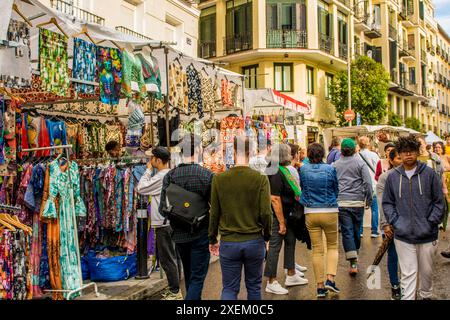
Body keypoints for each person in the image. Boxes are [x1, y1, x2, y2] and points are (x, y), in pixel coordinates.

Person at [208, 137, 273, 300]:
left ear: (234, 152)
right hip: (254, 240)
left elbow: (214, 212)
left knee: (229, 288)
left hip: (229, 242)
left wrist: (212, 238)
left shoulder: (219, 179)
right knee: (254, 287)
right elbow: (266, 212)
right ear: (251, 152)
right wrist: (267, 236)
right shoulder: (261, 179)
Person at [382, 135, 445, 300]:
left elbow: (439, 202)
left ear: (417, 153)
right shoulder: (393, 177)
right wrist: (395, 222)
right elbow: (387, 202)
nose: (408, 155)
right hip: (403, 235)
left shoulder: (430, 174)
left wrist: (431, 222)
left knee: (426, 273)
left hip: (427, 234)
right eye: (404, 152)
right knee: (408, 274)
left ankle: (425, 295)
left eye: (411, 151)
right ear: (400, 155)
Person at [159, 134, 214, 300]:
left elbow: (163, 209)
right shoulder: (206, 175)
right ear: (197, 150)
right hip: (200, 232)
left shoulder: (170, 176)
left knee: (190, 275)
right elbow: (215, 207)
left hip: (179, 234)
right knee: (197, 277)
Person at [136, 146, 182, 300]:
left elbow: (141, 188)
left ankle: (175, 291)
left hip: (164, 223)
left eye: (152, 158)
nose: (150, 161)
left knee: (167, 258)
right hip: (171, 221)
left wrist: (148, 170)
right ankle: (176, 289)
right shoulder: (171, 173)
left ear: (158, 160)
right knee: (174, 257)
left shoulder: (161, 176)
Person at [264, 144, 309, 295]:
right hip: (279, 215)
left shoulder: (280, 169)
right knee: (275, 246)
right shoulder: (276, 171)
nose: (291, 155)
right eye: (289, 153)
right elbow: (275, 198)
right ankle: (271, 281)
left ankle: (291, 274)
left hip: (287, 214)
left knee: (290, 241)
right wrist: (281, 221)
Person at [300, 143, 340, 298]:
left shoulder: (303, 169)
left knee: (317, 249)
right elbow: (336, 188)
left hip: (310, 211)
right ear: (323, 154)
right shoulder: (330, 169)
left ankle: (320, 286)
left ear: (309, 154)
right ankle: (330, 278)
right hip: (329, 210)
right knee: (332, 246)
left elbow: (302, 187)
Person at [333, 138, 373, 275]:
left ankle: (353, 260)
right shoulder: (361, 163)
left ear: (341, 151)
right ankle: (354, 258)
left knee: (347, 232)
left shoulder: (335, 165)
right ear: (354, 150)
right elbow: (368, 183)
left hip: (342, 203)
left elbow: (332, 184)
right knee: (356, 231)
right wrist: (368, 198)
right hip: (357, 203)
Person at [377, 148, 403, 300]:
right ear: (391, 161)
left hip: (410, 224)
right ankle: (395, 285)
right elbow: (381, 202)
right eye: (398, 158)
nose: (401, 160)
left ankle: (407, 284)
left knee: (409, 257)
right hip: (392, 224)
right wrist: (385, 224)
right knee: (393, 254)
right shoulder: (385, 178)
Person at [287, 143, 308, 275]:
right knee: (290, 239)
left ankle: (292, 264)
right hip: (292, 208)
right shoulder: (291, 169)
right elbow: (297, 190)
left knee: (291, 239)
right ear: (294, 155)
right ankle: (290, 269)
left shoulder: (292, 168)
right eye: (298, 152)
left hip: (289, 208)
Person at [358, 136, 381, 238]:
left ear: (359, 144)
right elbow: (378, 169)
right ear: (368, 144)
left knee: (360, 209)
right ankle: (374, 231)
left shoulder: (356, 156)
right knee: (375, 209)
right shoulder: (374, 155)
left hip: (361, 185)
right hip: (373, 184)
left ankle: (360, 231)